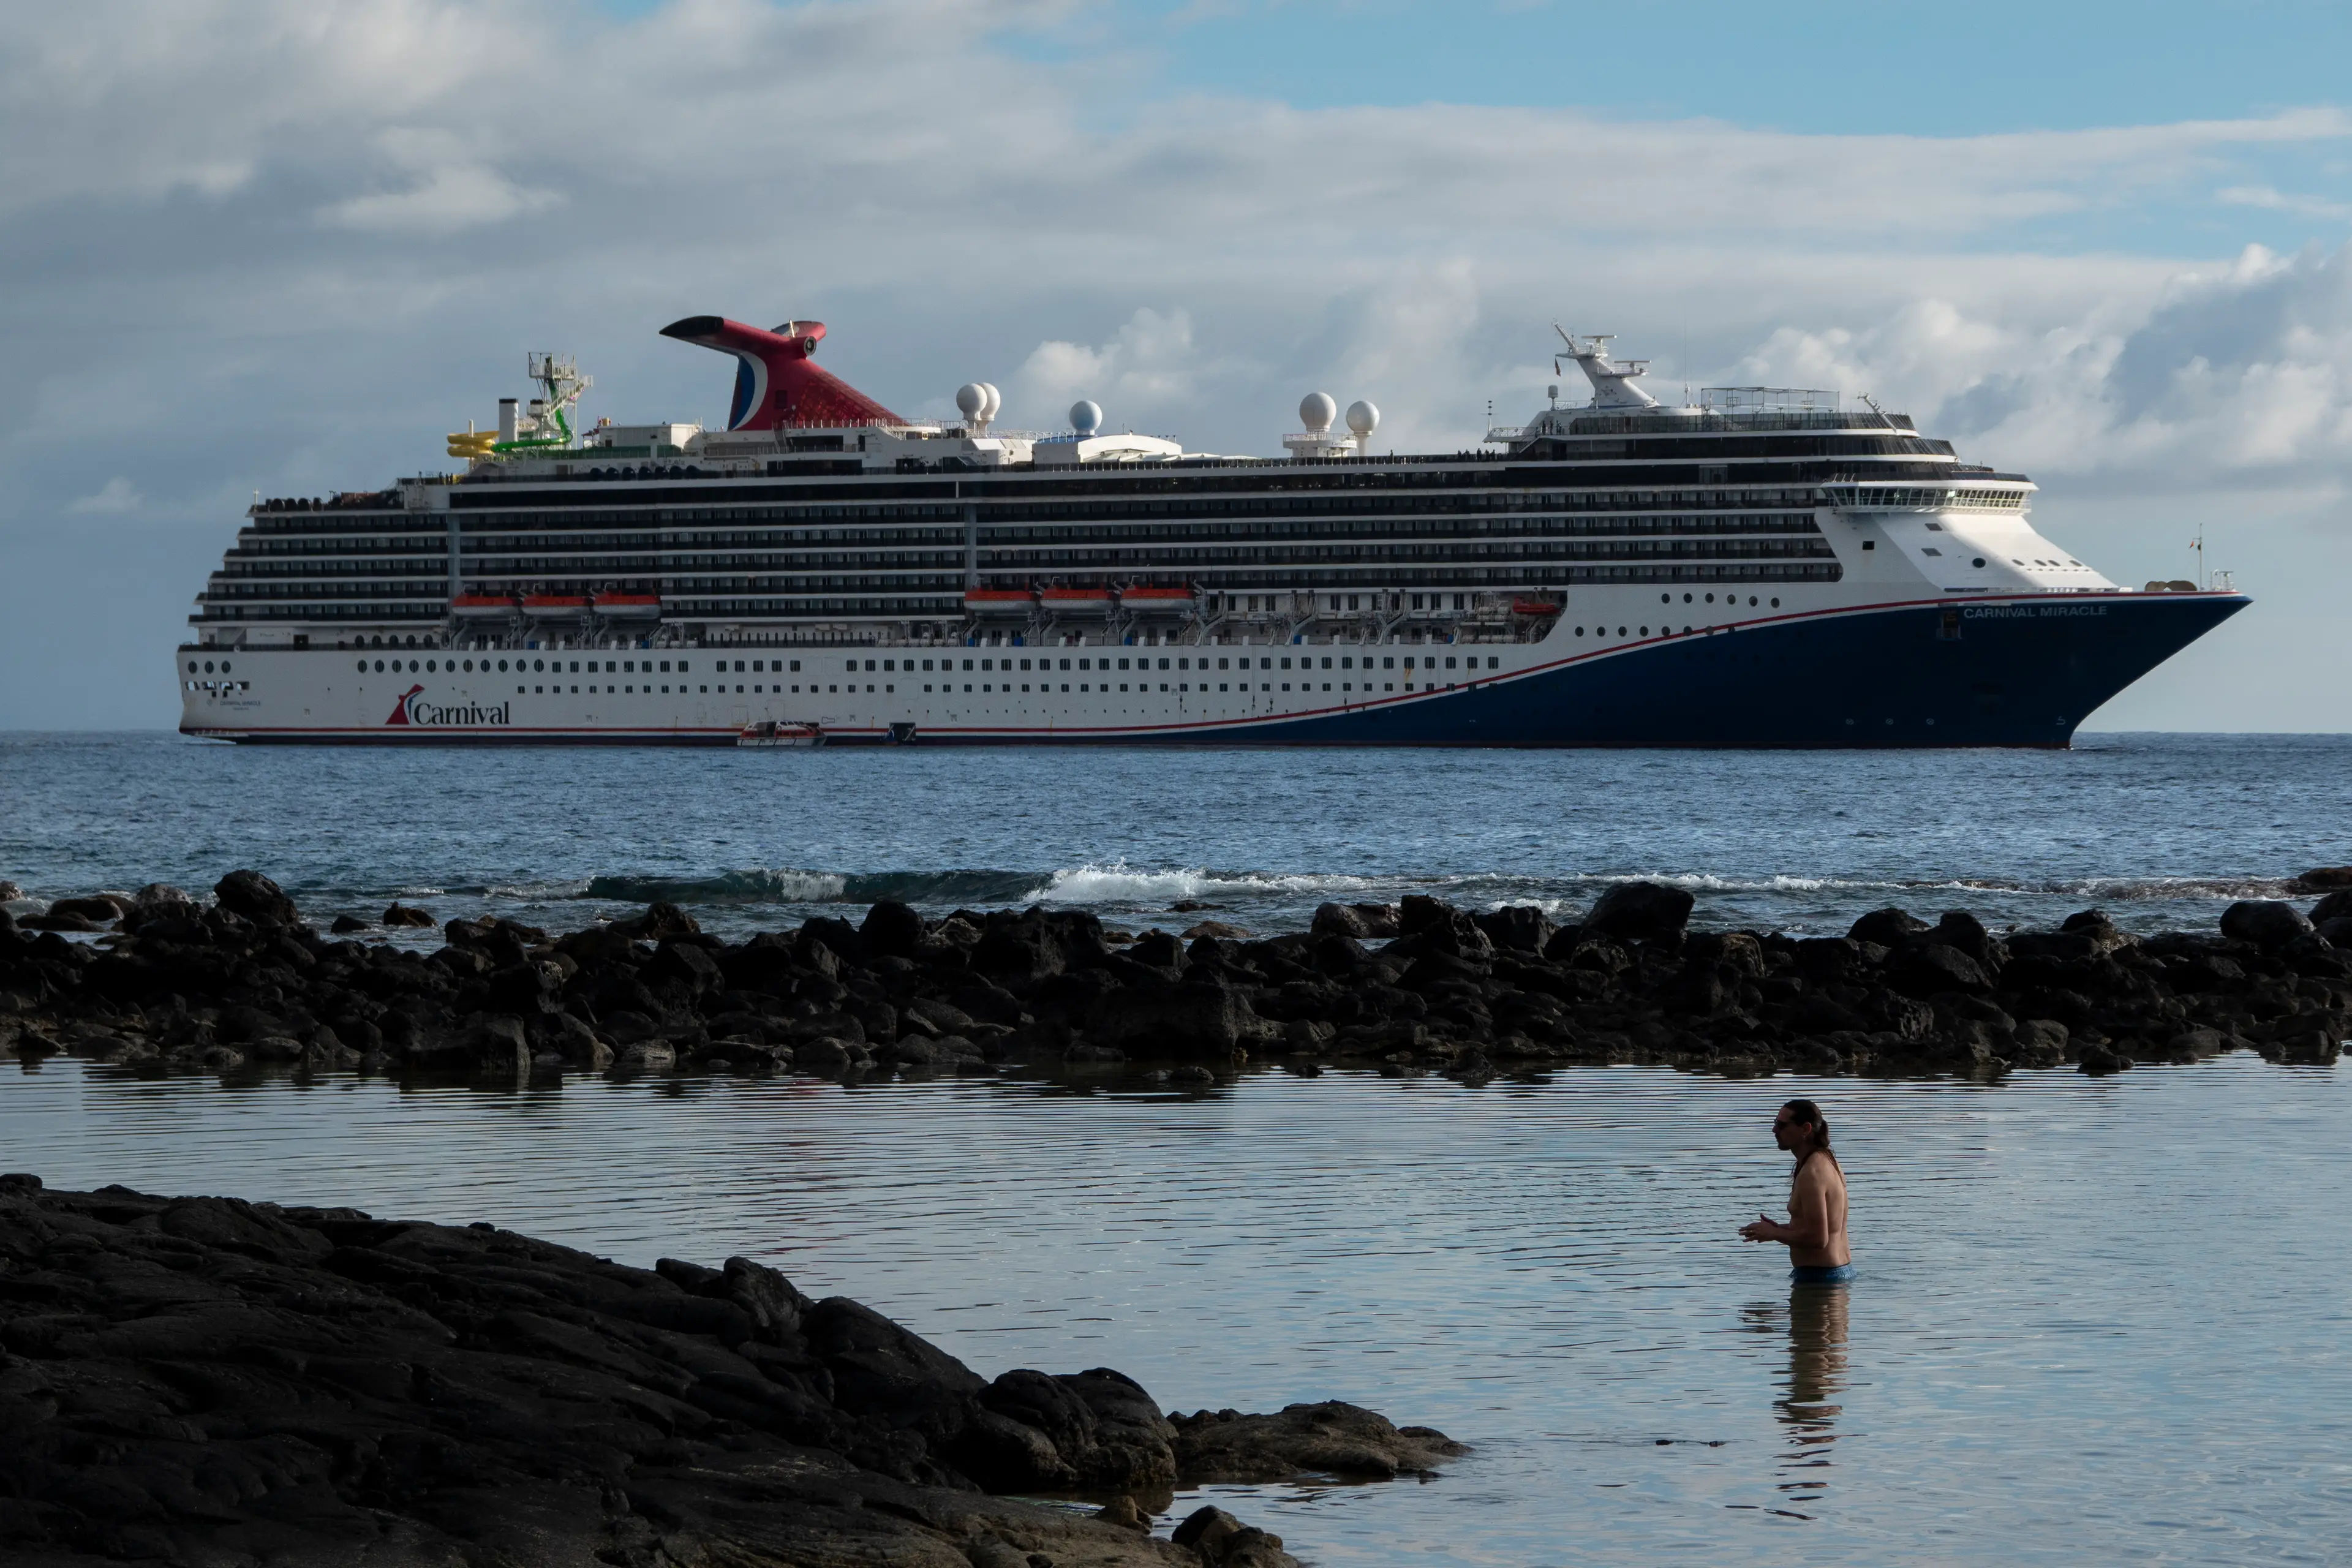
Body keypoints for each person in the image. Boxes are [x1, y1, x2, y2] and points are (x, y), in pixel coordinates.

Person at [1740, 1098, 1852, 1283]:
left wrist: (1775, 1234)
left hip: (1820, 1281)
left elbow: (1818, 1239)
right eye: (1776, 1124)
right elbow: (1825, 1229)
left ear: (1805, 1130)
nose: (1775, 1130)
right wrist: (1775, 1229)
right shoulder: (1828, 1161)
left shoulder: (1812, 1173)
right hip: (1834, 1275)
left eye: (1782, 1125)